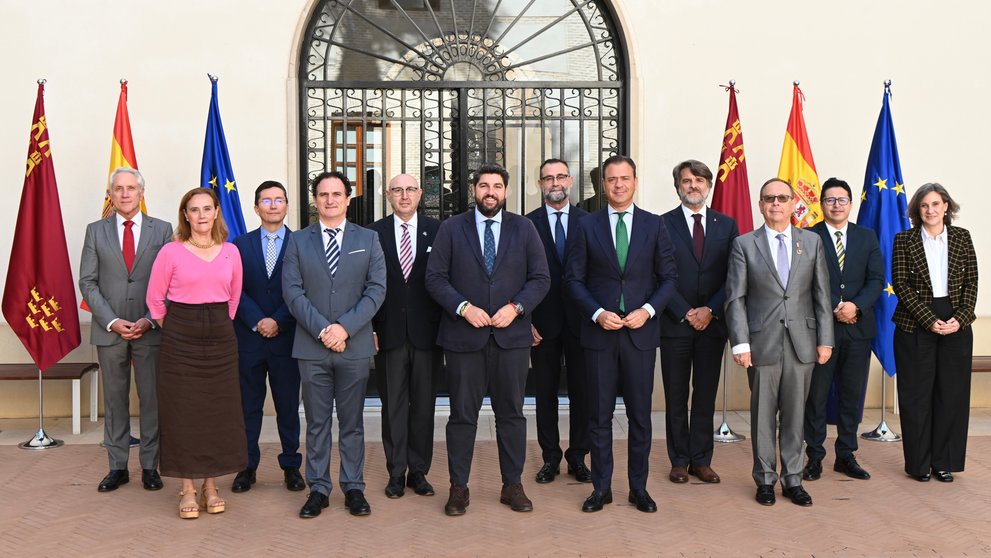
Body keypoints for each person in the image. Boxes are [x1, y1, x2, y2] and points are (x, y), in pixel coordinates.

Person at [425, 163, 550, 516]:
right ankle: (458, 488)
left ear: (506, 191)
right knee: (462, 416)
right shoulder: (451, 229)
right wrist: (463, 307)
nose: (490, 192)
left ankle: (512, 485)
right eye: (484, 186)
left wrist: (518, 308)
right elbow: (435, 278)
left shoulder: (524, 228)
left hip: (511, 338)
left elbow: (540, 279)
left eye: (496, 186)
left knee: (511, 414)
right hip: (464, 338)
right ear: (474, 190)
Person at [565, 155, 678, 514]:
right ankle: (601, 489)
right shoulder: (586, 226)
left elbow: (669, 279)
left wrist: (647, 311)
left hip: (640, 337)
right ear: (603, 185)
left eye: (624, 178)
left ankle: (638, 488)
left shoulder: (654, 225)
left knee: (640, 417)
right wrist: (598, 314)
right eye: (611, 179)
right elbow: (573, 279)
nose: (618, 185)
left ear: (635, 181)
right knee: (598, 416)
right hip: (600, 335)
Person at [282, 171, 386, 518]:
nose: (330, 200)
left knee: (353, 421)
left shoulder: (368, 239)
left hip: (354, 347)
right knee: (317, 422)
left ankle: (353, 487)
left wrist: (343, 328)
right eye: (323, 194)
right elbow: (293, 292)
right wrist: (323, 330)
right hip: (311, 348)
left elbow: (376, 290)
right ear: (315, 200)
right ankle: (319, 489)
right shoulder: (297, 241)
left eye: (337, 194)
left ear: (348, 198)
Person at [725, 178, 833, 507]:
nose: (776, 204)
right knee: (762, 415)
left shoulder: (812, 242)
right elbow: (735, 299)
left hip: (803, 342)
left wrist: (825, 339)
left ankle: (793, 480)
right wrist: (740, 343)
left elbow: (821, 295)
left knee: (796, 414)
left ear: (792, 204)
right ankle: (765, 479)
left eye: (782, 198)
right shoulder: (745, 244)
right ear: (761, 205)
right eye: (769, 198)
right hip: (762, 343)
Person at [146, 187, 246, 519]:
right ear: (185, 215)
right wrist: (177, 328)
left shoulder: (231, 251)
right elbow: (155, 299)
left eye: (207, 208)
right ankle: (187, 488)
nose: (201, 215)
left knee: (217, 412)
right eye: (194, 210)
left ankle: (211, 485)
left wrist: (214, 325)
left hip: (220, 336)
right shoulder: (170, 253)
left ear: (217, 212)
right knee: (184, 412)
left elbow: (233, 299)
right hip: (180, 338)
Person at [79, 168, 173, 493]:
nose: (124, 194)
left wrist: (149, 318)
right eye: (118, 189)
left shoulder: (162, 230)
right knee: (115, 401)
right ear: (111, 195)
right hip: (110, 331)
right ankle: (117, 467)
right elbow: (87, 282)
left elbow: (169, 281)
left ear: (141, 193)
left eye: (131, 188)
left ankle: (150, 467)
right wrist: (111, 321)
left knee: (151, 400)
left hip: (151, 329)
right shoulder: (95, 231)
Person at [658, 160, 739, 485]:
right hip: (675, 323)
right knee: (676, 395)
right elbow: (659, 273)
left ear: (709, 186)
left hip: (712, 324)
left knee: (705, 393)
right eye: (687, 180)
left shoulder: (726, 225)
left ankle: (701, 460)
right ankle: (679, 460)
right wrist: (684, 310)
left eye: (700, 180)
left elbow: (734, 274)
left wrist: (710, 309)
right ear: (678, 185)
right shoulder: (661, 224)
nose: (694, 185)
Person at [892, 183, 978, 483]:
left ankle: (944, 462)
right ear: (917, 210)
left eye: (936, 204)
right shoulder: (903, 240)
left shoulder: (962, 238)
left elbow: (972, 285)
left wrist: (960, 319)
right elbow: (901, 285)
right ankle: (918, 464)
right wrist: (930, 320)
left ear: (946, 207)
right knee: (917, 397)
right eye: (924, 205)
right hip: (915, 324)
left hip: (956, 323)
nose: (930, 210)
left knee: (950, 395)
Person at [802, 178, 883, 482]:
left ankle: (846, 455)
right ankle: (814, 457)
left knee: (851, 395)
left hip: (858, 329)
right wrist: (837, 305)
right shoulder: (808, 236)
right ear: (821, 204)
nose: (836, 205)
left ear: (851, 204)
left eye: (842, 199)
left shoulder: (867, 236)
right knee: (817, 396)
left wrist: (855, 307)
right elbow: (804, 281)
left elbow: (876, 279)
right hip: (821, 330)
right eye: (830, 199)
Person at [368, 174, 442, 499]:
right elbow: (364, 284)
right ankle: (396, 472)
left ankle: (419, 472)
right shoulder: (373, 234)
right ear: (388, 195)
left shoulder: (439, 231)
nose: (404, 195)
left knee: (424, 406)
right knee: (393, 406)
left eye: (410, 189)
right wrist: (369, 326)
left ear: (420, 194)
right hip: (388, 333)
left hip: (428, 334)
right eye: (397, 190)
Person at [230, 181, 304, 494]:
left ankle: (291, 467)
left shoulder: (302, 244)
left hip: (287, 339)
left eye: (278, 200)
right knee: (249, 407)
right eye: (266, 200)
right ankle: (247, 467)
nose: (273, 205)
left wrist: (278, 320)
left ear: (287, 205)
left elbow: (303, 289)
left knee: (288, 407)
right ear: (256, 207)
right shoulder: (238, 245)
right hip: (249, 339)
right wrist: (258, 320)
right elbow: (235, 289)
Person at [525, 158, 591, 484]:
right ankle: (550, 457)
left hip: (583, 325)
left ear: (570, 180)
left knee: (584, 393)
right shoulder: (526, 225)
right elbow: (517, 277)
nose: (555, 183)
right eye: (548, 178)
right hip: (542, 325)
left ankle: (579, 456)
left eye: (561, 176)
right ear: (540, 184)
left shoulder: (590, 222)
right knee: (545, 394)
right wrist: (526, 320)